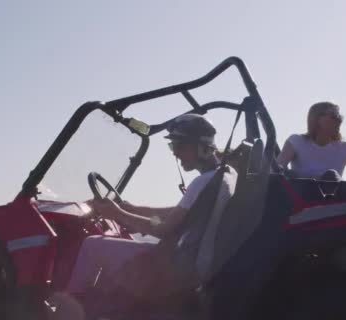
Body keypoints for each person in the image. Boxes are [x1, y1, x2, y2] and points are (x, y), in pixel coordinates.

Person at [65, 113, 237, 295]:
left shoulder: (203, 182)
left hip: (178, 265)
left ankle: (67, 310)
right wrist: (131, 209)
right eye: (173, 145)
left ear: (202, 147)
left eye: (180, 145)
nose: (175, 152)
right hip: (192, 260)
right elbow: (178, 213)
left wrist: (118, 214)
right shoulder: (224, 175)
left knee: (92, 245)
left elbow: (163, 230)